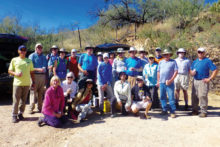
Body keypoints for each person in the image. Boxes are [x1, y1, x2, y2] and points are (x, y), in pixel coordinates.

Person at [8, 45, 35, 123]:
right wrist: (15, 74)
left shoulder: (29, 61)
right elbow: (9, 71)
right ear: (18, 51)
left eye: (24, 50)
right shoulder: (14, 60)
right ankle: (14, 115)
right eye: (21, 50)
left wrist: (33, 81)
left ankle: (20, 113)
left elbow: (32, 72)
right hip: (17, 84)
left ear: (26, 51)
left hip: (26, 84)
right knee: (16, 100)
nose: (23, 51)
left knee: (23, 101)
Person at [190, 47, 218, 117]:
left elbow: (215, 70)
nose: (200, 53)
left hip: (203, 81)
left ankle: (203, 112)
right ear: (197, 53)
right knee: (194, 96)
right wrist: (192, 73)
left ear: (204, 53)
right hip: (195, 80)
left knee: (202, 96)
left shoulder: (207, 61)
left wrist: (209, 79)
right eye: (199, 52)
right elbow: (190, 70)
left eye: (202, 52)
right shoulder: (195, 61)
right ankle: (195, 110)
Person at [157, 49, 178, 118]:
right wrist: (158, 81)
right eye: (165, 54)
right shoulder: (161, 62)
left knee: (171, 97)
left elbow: (176, 72)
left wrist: (171, 80)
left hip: (169, 83)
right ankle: (164, 109)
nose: (166, 56)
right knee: (162, 97)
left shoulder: (173, 62)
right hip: (162, 82)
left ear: (169, 55)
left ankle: (172, 111)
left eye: (167, 54)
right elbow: (158, 72)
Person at [28, 43, 47, 114]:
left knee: (41, 93)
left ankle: (40, 108)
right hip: (34, 75)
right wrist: (39, 69)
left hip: (42, 76)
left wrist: (43, 70)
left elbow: (45, 67)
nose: (39, 49)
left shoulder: (44, 57)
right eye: (38, 47)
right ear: (35, 48)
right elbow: (30, 67)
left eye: (40, 47)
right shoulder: (32, 56)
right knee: (33, 92)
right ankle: (31, 108)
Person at [97, 53, 116, 117]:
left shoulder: (109, 65)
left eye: (107, 57)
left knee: (112, 96)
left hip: (107, 83)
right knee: (101, 97)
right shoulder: (100, 65)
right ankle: (101, 111)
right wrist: (103, 84)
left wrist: (107, 83)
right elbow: (99, 75)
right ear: (103, 58)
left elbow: (110, 75)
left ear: (108, 58)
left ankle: (112, 110)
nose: (106, 59)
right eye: (104, 58)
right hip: (101, 83)